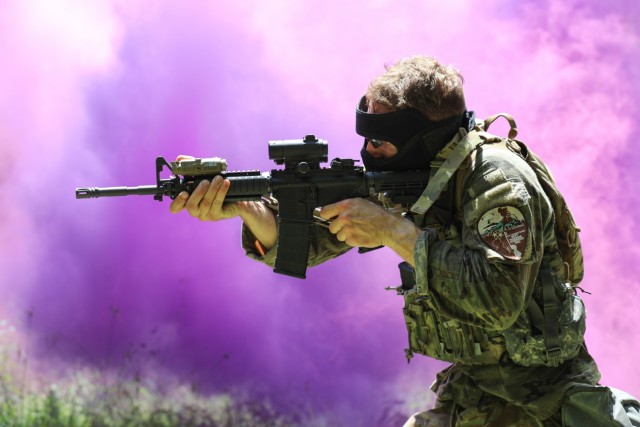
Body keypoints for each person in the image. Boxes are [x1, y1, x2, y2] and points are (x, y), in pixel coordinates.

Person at [170, 56, 640, 426]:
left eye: (382, 141)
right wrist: (248, 209)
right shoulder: (409, 176)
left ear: (426, 136)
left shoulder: (497, 181)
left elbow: (499, 299)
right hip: (473, 389)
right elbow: (312, 241)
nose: (368, 152)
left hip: (544, 396)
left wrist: (395, 232)